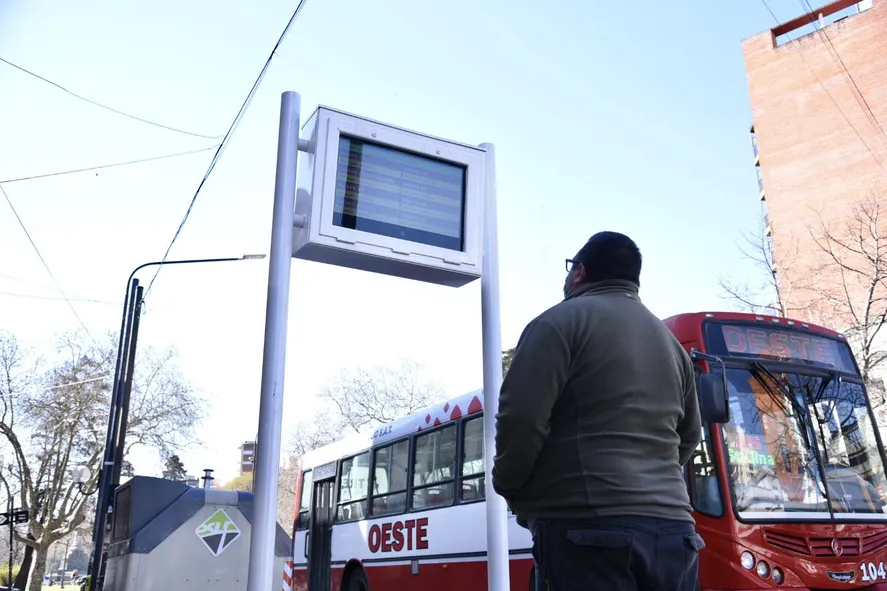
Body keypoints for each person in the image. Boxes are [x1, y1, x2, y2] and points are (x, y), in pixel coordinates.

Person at [492, 231, 704, 591]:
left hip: (589, 532)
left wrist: (509, 485)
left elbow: (522, 421)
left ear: (579, 273)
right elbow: (689, 437)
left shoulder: (557, 323)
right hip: (675, 535)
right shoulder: (672, 346)